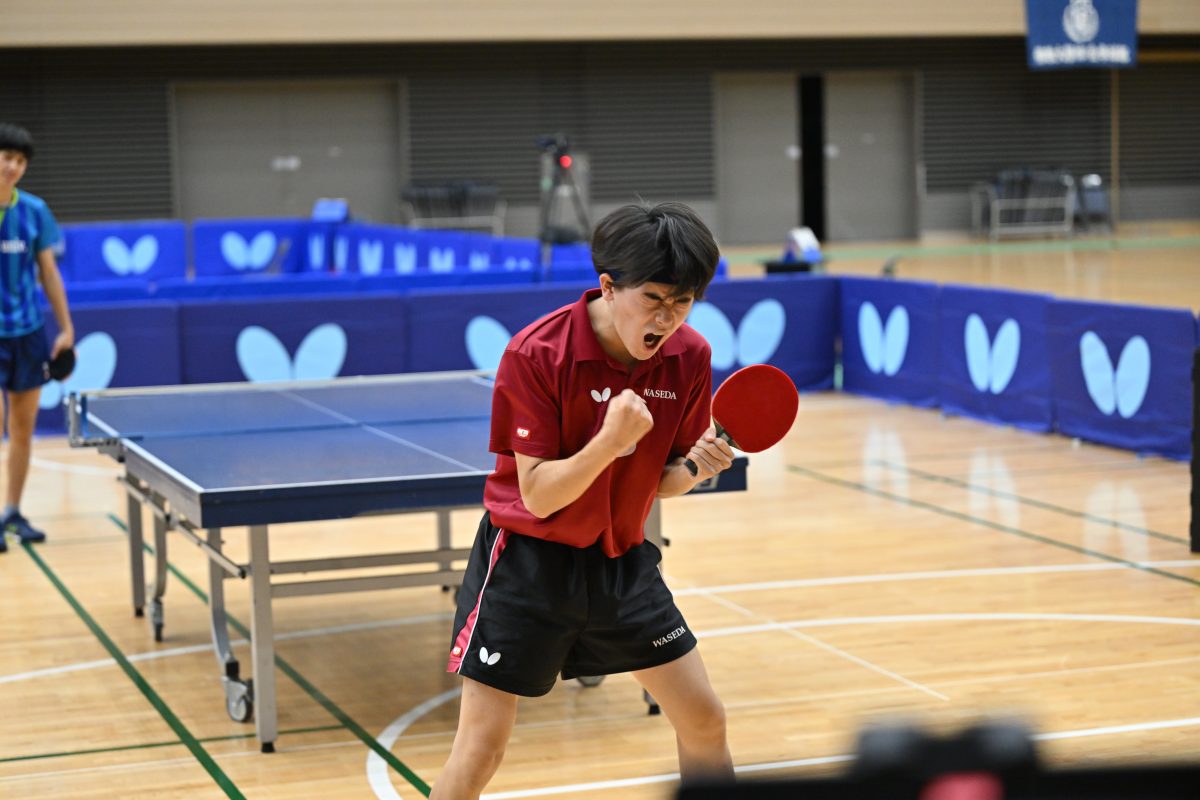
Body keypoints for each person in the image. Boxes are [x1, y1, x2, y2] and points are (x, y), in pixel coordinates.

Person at [431, 202, 735, 798]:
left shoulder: (689, 357)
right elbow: (539, 495)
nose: (669, 318)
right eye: (655, 298)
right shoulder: (537, 355)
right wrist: (610, 444)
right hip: (527, 567)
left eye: (685, 301)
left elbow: (663, 478)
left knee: (705, 719)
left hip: (622, 562)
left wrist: (697, 468)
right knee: (482, 748)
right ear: (608, 286)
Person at [0, 123, 74, 552]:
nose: (13, 167)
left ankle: (13, 511)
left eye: (20, 161)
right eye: (7, 157)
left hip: (27, 332)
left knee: (23, 429)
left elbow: (48, 273)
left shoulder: (34, 211)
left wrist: (66, 327)